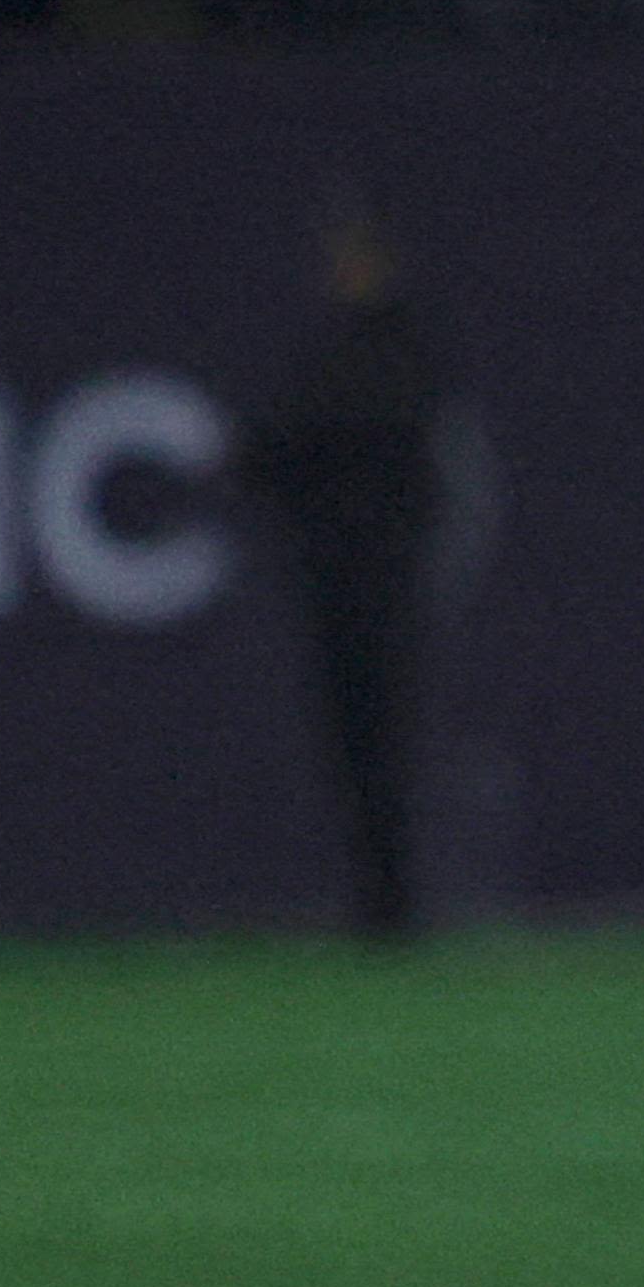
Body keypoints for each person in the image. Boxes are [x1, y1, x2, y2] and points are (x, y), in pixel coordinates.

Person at [240, 208, 444, 940]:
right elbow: (268, 456)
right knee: (354, 746)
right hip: (337, 581)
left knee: (382, 743)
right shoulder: (332, 354)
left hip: (379, 582)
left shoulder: (394, 357)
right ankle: (379, 903)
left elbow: (290, 446)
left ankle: (394, 905)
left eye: (355, 258)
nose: (342, 272)